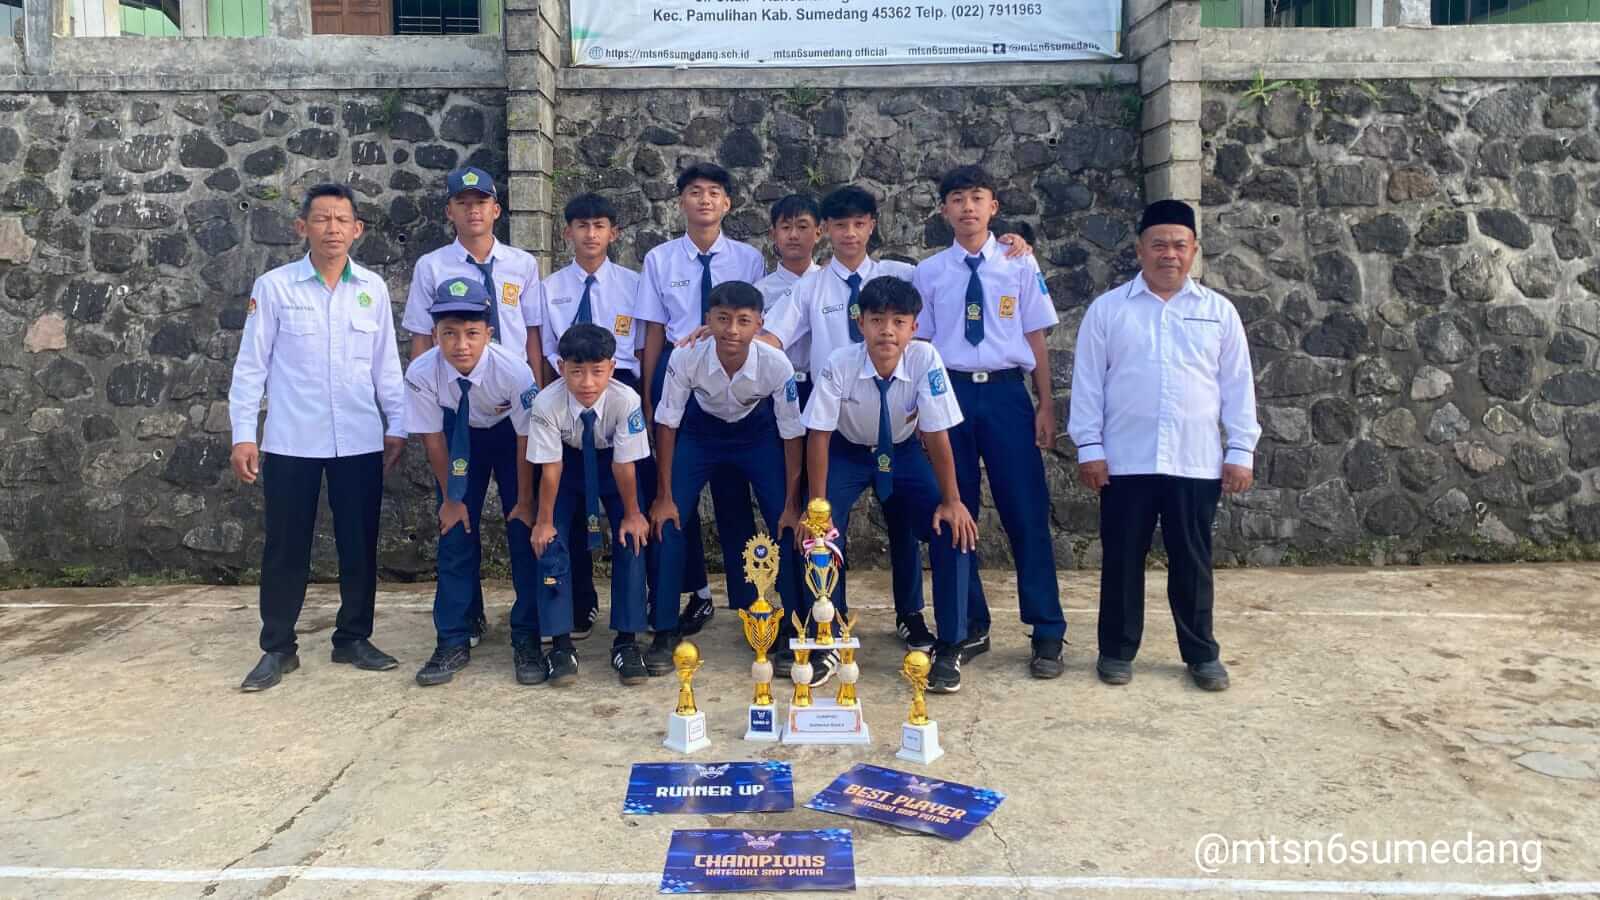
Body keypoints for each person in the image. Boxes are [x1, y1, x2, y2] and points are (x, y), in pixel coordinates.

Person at [764, 185, 1035, 655]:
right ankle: (830, 623)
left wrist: (1011, 243)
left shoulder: (901, 275)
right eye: (840, 225)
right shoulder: (809, 286)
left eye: (859, 223)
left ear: (872, 225)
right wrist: (726, 336)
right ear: (825, 231)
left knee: (915, 524)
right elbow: (771, 337)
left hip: (903, 432)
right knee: (823, 528)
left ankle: (915, 618)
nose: (850, 233)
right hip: (842, 425)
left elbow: (956, 279)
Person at [1069, 199, 1259, 692]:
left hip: (1195, 463)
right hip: (1126, 461)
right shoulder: (1108, 311)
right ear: (1139, 250)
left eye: (1179, 244)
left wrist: (1240, 451)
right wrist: (1089, 447)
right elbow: (1088, 385)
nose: (1169, 254)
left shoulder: (1218, 312)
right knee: (1122, 561)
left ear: (1194, 250)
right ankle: (1115, 651)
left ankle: (1201, 655)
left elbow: (1237, 386)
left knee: (1192, 562)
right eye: (1159, 244)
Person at [229, 183, 406, 692]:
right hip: (291, 440)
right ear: (301, 228)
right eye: (322, 219)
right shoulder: (276, 287)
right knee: (286, 547)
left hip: (358, 439)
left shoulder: (370, 289)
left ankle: (353, 637)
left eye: (342, 219)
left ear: (358, 230)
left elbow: (385, 368)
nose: (333, 229)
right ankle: (277, 648)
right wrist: (245, 435)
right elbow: (250, 367)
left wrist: (396, 425)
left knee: (359, 544)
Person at [911, 164, 1068, 683]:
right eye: (956, 199)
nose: (967, 208)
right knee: (955, 512)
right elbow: (924, 345)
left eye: (977, 198)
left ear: (993, 206)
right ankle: (969, 624)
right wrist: (921, 409)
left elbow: (1037, 337)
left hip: (1005, 394)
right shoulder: (929, 272)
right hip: (950, 393)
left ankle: (1047, 628)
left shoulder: (1019, 263)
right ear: (944, 210)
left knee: (1026, 511)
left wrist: (1044, 404)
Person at [802, 277, 980, 691]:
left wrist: (952, 500)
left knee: (951, 527)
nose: (887, 330)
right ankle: (830, 634)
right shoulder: (839, 362)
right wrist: (815, 506)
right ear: (859, 322)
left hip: (902, 451)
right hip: (848, 451)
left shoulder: (925, 359)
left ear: (913, 328)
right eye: (877, 320)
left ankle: (949, 644)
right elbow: (820, 435)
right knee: (821, 535)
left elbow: (937, 432)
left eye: (898, 321)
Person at [400, 166, 543, 649]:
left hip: (511, 412)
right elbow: (423, 338)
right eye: (463, 202)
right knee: (456, 520)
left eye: (481, 201)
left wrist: (539, 403)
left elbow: (535, 336)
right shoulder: (432, 267)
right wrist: (450, 493)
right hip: (455, 416)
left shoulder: (522, 264)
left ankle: (530, 626)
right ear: (450, 211)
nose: (473, 209)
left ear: (496, 208)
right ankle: (458, 630)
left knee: (523, 519)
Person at [647, 282, 806, 678]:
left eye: (743, 321)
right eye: (722, 319)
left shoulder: (776, 364)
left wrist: (791, 502)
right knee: (669, 521)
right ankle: (665, 628)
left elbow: (791, 433)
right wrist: (664, 495)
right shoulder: (686, 358)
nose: (732, 330)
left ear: (759, 324)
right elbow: (667, 423)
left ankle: (788, 627)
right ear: (708, 321)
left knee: (785, 523)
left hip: (756, 434)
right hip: (701, 434)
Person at [634, 162, 764, 631]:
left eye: (714, 192)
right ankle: (694, 592)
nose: (705, 200)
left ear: (727, 203)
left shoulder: (749, 259)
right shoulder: (660, 259)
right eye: (694, 192)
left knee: (733, 496)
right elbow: (651, 332)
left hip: (734, 377)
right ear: (681, 202)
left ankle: (751, 601)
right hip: (678, 373)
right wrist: (649, 398)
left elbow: (756, 325)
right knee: (674, 491)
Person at [403, 277, 546, 687]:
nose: (460, 345)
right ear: (435, 335)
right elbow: (432, 437)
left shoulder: (514, 372)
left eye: (471, 333)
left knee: (523, 533)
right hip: (458, 436)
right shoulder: (421, 371)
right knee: (455, 535)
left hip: (507, 437)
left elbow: (525, 438)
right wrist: (451, 498)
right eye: (449, 334)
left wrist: (524, 498)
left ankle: (528, 636)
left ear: (489, 333)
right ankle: (453, 638)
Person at [538, 192, 642, 642]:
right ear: (567, 233)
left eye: (600, 225)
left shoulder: (633, 284)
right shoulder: (550, 288)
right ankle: (576, 610)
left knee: (630, 519)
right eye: (581, 226)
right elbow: (544, 349)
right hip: (563, 407)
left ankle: (632, 626)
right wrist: (563, 389)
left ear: (613, 233)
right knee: (567, 520)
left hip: (618, 402)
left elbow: (639, 347)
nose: (591, 234)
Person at [527, 324, 654, 686]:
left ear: (612, 368)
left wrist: (632, 515)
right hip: (566, 468)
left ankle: (627, 641)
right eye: (576, 371)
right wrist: (544, 522)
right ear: (560, 366)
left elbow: (624, 465)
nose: (586, 382)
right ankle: (561, 644)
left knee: (633, 539)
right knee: (551, 545)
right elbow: (550, 470)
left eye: (597, 371)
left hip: (612, 466)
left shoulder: (625, 399)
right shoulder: (546, 402)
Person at [753, 193, 822, 407]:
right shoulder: (760, 292)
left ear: (819, 232)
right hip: (774, 386)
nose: (793, 235)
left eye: (802, 227)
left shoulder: (830, 284)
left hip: (822, 385)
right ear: (773, 233)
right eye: (785, 227)